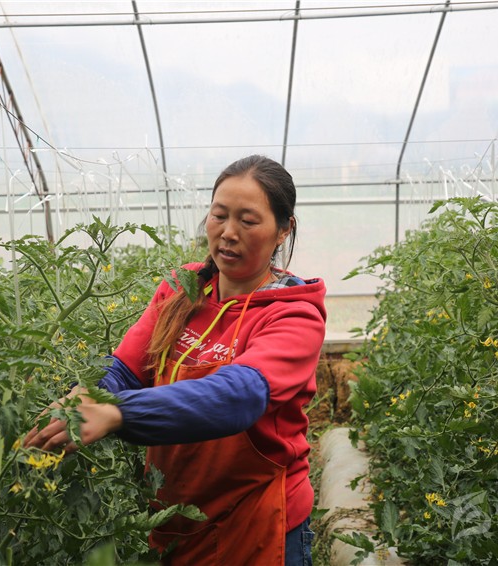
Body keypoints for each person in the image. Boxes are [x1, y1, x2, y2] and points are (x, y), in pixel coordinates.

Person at [24, 154, 327, 565]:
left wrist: (117, 412)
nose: (228, 233)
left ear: (283, 229)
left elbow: (239, 395)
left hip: (258, 522)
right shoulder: (183, 288)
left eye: (248, 221)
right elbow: (126, 369)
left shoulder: (294, 314)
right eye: (219, 215)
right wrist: (86, 395)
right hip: (175, 521)